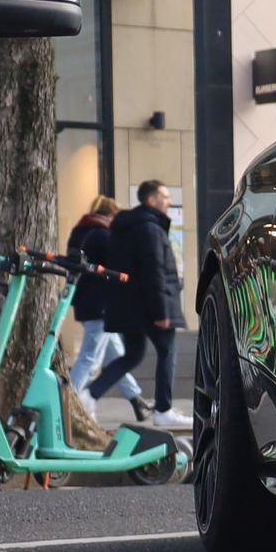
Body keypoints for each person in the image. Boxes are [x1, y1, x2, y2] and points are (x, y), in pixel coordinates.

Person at [94, 181, 193, 429]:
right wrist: (161, 311)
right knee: (167, 351)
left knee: (132, 355)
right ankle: (163, 409)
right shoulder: (150, 229)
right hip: (150, 306)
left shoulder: (126, 227)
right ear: (151, 200)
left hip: (131, 305)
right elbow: (154, 271)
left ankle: (90, 395)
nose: (168, 201)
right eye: (165, 197)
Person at [64, 196, 142, 414]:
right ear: (110, 215)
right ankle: (68, 402)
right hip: (102, 304)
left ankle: (136, 399)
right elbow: (118, 262)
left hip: (84, 301)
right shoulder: (102, 234)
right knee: (89, 358)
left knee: (116, 356)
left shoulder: (80, 231)